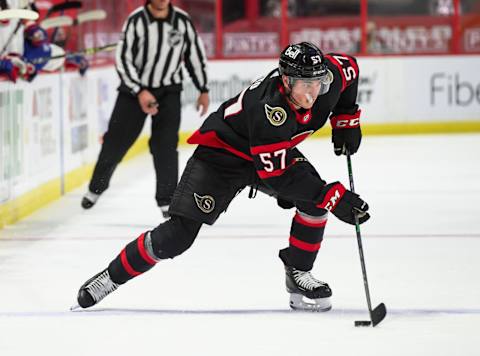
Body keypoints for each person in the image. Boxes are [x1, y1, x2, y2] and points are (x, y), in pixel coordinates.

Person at [73, 42, 369, 312]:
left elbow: (350, 68)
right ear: (286, 81)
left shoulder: (329, 78)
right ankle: (109, 277)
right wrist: (333, 197)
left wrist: (346, 119)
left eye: (317, 83)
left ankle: (298, 273)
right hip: (223, 155)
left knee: (314, 202)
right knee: (177, 237)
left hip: (272, 150)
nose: (313, 93)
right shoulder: (270, 109)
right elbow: (277, 175)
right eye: (305, 85)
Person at [81, 0, 209, 218]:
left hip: (169, 91)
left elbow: (194, 57)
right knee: (115, 142)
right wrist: (140, 90)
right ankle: (96, 187)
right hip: (133, 91)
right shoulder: (136, 21)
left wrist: (203, 89)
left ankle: (167, 200)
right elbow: (123, 59)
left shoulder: (182, 21)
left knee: (166, 146)